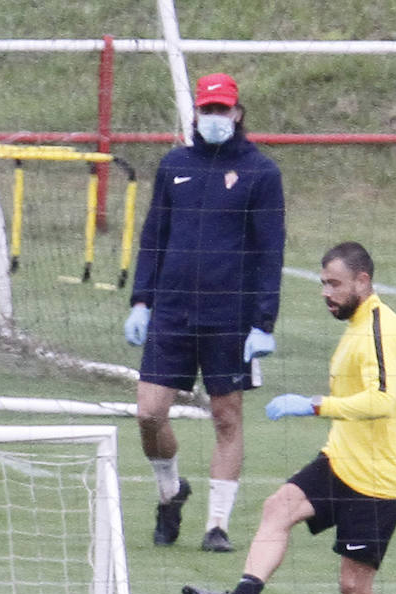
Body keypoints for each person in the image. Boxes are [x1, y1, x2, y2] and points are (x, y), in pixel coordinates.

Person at [183, 241, 396, 594]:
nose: (326, 293)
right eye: (323, 283)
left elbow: (384, 398)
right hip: (342, 460)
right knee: (278, 506)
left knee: (354, 588)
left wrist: (318, 406)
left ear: (363, 282)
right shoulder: (361, 328)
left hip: (378, 481)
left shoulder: (385, 327)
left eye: (334, 284)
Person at [124, 72, 285, 555]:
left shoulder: (261, 173)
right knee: (149, 413)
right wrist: (141, 301)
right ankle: (170, 492)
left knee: (226, 416)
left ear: (238, 113)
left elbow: (269, 251)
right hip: (172, 312)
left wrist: (263, 322)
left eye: (222, 110)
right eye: (207, 110)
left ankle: (217, 525)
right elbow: (154, 235)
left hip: (229, 319)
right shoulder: (174, 165)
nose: (214, 118)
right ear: (196, 113)